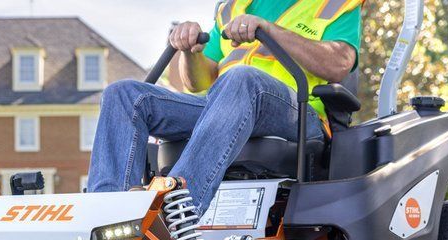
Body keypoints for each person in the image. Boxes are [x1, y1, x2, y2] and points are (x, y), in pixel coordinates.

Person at [86, 0, 363, 216]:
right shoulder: (233, 8)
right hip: (226, 104)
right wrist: (188, 51)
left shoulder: (334, 4)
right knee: (124, 94)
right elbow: (197, 82)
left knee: (241, 78)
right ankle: (109, 218)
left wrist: (268, 29)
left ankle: (175, 214)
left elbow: (339, 64)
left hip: (298, 114)